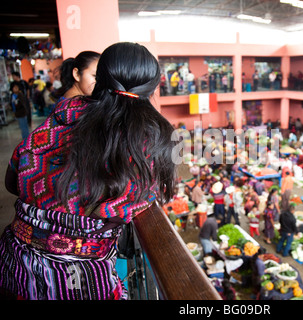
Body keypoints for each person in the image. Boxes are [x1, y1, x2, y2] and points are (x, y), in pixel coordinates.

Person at [0, 42, 176, 300]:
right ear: (153, 86)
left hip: (13, 266)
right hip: (78, 282)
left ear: (100, 79)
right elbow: (121, 209)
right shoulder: (150, 141)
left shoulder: (64, 114)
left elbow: (11, 181)